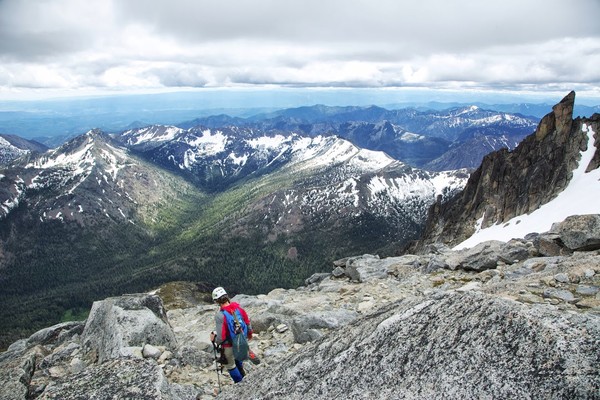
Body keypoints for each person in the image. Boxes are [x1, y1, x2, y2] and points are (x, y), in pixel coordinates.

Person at [209, 286, 253, 383]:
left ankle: (240, 384)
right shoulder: (239, 309)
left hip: (229, 345)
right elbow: (248, 324)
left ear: (217, 301)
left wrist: (214, 339)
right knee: (239, 360)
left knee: (230, 365)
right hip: (241, 340)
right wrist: (248, 335)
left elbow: (221, 338)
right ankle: (243, 377)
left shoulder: (220, 315)